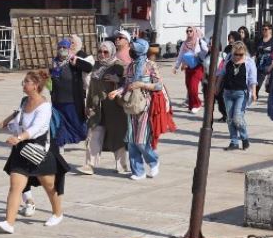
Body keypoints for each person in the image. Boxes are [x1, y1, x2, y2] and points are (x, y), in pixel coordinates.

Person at [0, 70, 68, 233]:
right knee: (15, 186)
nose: (23, 84)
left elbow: (36, 128)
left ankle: (57, 213)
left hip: (38, 151)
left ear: (36, 86)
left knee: (49, 185)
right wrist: (8, 124)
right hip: (21, 150)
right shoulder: (24, 101)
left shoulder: (45, 106)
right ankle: (9, 223)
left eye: (26, 81)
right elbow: (19, 119)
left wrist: (19, 137)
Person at [109, 39, 164, 180]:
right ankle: (138, 171)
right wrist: (117, 92)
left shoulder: (150, 65)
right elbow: (127, 85)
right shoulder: (130, 66)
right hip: (131, 105)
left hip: (145, 106)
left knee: (141, 140)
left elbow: (158, 85)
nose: (131, 51)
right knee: (132, 140)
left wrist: (141, 84)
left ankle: (153, 160)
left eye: (133, 48)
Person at [79, 41, 129, 176]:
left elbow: (129, 83)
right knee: (93, 135)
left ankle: (122, 166)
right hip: (97, 107)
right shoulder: (96, 66)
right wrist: (88, 105)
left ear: (112, 52)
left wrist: (117, 79)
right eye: (100, 51)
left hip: (114, 108)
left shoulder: (119, 65)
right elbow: (91, 88)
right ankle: (89, 166)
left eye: (105, 52)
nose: (102, 54)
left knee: (117, 136)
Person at [51, 38, 92, 149]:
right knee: (59, 125)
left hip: (72, 100)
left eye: (65, 47)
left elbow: (89, 67)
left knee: (78, 125)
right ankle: (61, 145)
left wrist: (77, 62)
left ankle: (89, 139)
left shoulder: (73, 60)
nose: (62, 49)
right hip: (57, 100)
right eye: (60, 47)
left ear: (69, 49)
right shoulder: (54, 63)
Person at [216, 41, 257, 151]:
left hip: (241, 93)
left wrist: (253, 92)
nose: (238, 57)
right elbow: (221, 73)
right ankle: (234, 142)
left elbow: (252, 78)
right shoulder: (228, 60)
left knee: (237, 118)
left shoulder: (249, 62)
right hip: (228, 93)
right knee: (230, 119)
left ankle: (244, 138)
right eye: (236, 54)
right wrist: (217, 87)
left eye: (241, 54)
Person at [173, 27, 208, 113]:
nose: (188, 32)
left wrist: (198, 53)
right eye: (187, 31)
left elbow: (207, 51)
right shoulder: (184, 43)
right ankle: (191, 105)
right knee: (189, 86)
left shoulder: (199, 41)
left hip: (198, 67)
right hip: (188, 67)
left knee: (193, 87)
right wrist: (176, 66)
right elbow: (180, 55)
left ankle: (197, 104)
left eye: (190, 31)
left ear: (194, 32)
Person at [254, 23, 273, 96]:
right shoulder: (259, 40)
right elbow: (256, 52)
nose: (264, 31)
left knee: (269, 83)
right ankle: (255, 94)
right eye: (263, 29)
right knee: (257, 82)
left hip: (270, 65)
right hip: (259, 64)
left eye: (266, 29)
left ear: (270, 30)